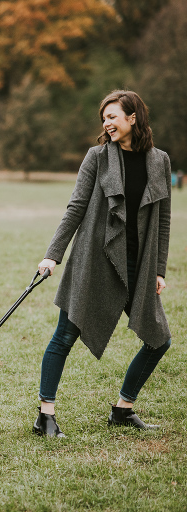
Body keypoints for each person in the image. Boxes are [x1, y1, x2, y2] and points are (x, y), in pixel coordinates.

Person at [34, 90, 172, 438]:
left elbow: (164, 219)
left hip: (137, 267)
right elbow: (76, 207)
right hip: (95, 260)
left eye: (113, 116)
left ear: (133, 117)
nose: (107, 123)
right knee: (65, 334)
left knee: (159, 340)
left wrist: (158, 269)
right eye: (104, 118)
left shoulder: (160, 162)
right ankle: (44, 416)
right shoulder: (97, 157)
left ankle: (123, 410)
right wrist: (53, 254)